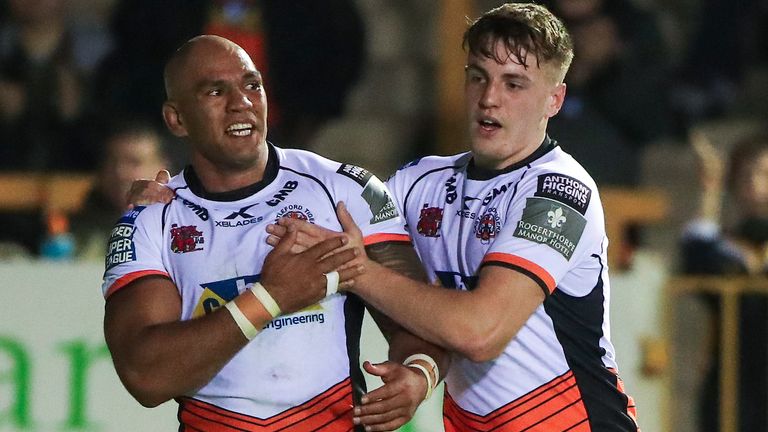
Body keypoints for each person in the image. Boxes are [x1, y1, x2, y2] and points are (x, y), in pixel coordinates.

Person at [265, 3, 639, 430]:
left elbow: (479, 332)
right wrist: (177, 195)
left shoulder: (558, 190)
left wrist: (355, 270)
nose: (489, 98)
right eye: (478, 76)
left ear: (554, 99)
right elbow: (318, 216)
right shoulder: (420, 181)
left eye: (514, 84)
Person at [102, 35, 447, 432]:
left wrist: (419, 373)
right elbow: (146, 377)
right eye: (216, 91)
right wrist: (272, 296)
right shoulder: (151, 219)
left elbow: (425, 320)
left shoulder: (344, 190)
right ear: (176, 119)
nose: (241, 102)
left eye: (252, 85)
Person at [680, 131, 768, 431]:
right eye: (749, 175)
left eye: (766, 174)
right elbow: (697, 260)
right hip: (734, 383)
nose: (758, 185)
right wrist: (709, 189)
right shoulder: (727, 249)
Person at [70, 121, 170, 260]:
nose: (120, 173)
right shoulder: (76, 231)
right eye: (113, 161)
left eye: (134, 162)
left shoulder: (181, 226)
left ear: (162, 167)